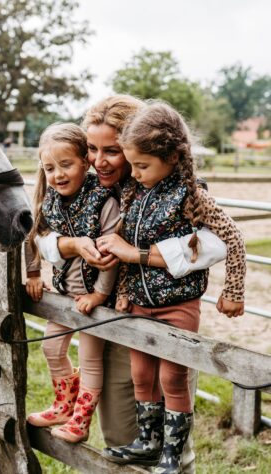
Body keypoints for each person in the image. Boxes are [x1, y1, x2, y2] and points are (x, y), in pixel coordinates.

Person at [35, 95, 228, 473]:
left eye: (112, 150)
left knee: (164, 439)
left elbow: (212, 245)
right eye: (92, 148)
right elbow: (42, 235)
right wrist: (70, 245)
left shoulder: (178, 189)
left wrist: (135, 254)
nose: (98, 160)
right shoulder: (88, 188)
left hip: (157, 319)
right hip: (104, 322)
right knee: (118, 434)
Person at [98, 101, 246, 473]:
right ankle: (148, 442)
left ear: (173, 156)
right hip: (139, 304)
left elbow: (232, 235)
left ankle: (173, 452)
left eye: (142, 166)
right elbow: (126, 242)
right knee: (141, 375)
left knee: (172, 377)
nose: (135, 173)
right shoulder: (137, 191)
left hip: (176, 306)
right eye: (132, 165)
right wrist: (122, 293)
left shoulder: (189, 194)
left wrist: (234, 291)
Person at [24, 122, 119, 443]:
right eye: (50, 168)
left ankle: (81, 419)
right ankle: (64, 405)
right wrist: (34, 273)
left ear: (84, 161)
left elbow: (109, 254)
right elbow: (33, 235)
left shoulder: (103, 201)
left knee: (89, 359)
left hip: (95, 300)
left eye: (66, 165)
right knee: (51, 348)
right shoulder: (50, 200)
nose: (58, 174)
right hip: (64, 294)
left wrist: (98, 293)